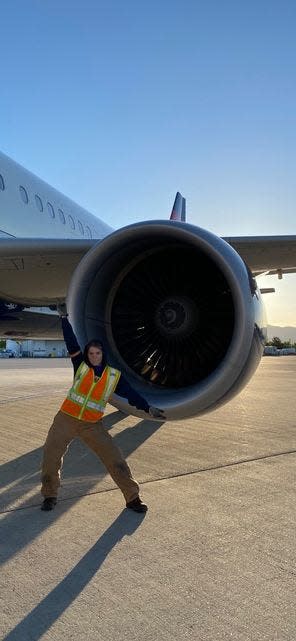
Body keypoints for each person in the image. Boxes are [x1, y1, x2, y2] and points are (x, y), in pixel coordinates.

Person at [41, 304, 164, 513]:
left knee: (115, 460)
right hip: (66, 419)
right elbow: (71, 342)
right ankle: (50, 495)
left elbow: (130, 395)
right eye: (91, 353)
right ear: (87, 354)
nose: (94, 356)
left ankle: (133, 498)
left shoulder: (113, 376)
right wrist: (63, 317)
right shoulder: (80, 366)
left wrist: (148, 408)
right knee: (50, 459)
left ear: (102, 354)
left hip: (92, 425)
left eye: (97, 353)